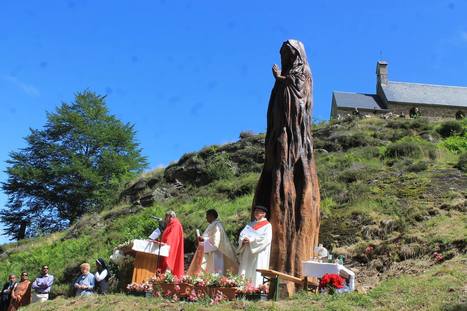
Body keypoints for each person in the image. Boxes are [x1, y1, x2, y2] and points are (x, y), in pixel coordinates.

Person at [187, 209, 238, 275]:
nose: (206, 218)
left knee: (215, 271)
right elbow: (208, 237)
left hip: (216, 253)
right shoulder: (211, 225)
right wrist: (201, 239)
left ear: (211, 216)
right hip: (210, 252)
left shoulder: (217, 225)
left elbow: (215, 241)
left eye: (207, 216)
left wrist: (203, 240)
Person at [237, 205, 272, 287]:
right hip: (247, 250)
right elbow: (242, 234)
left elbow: (266, 239)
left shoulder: (267, 225)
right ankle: (243, 287)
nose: (256, 213)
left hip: (258, 252)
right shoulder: (250, 224)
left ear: (263, 214)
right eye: (255, 211)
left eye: (258, 211)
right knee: (245, 268)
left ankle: (256, 288)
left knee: (256, 270)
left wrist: (252, 241)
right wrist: (243, 240)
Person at [158, 211, 185, 278]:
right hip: (166, 248)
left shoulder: (175, 224)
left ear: (170, 217)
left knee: (167, 272)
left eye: (165, 217)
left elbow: (172, 239)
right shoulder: (171, 224)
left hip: (170, 250)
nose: (165, 220)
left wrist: (166, 244)